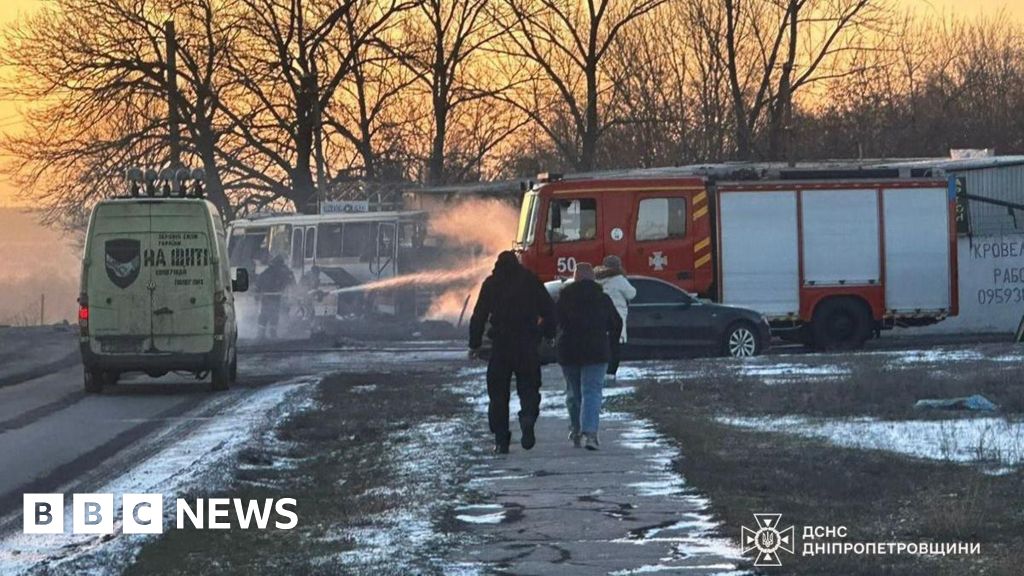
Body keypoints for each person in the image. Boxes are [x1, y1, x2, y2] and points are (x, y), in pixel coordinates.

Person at [469, 251, 556, 454]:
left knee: (498, 394)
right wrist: (548, 333)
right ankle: (528, 418)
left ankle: (501, 439)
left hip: (501, 345)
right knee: (529, 387)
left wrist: (474, 344)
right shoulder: (530, 281)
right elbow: (549, 310)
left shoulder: (491, 283)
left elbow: (479, 315)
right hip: (527, 344)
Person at [556, 262, 622, 450]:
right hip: (596, 350)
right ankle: (591, 434)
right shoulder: (603, 299)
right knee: (592, 392)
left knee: (573, 393)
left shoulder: (564, 298)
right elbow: (616, 323)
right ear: (593, 278)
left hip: (569, 351)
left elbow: (555, 322)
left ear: (575, 278)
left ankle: (576, 429)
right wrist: (610, 342)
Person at [595, 255, 636, 381]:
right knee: (614, 346)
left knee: (602, 345)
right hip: (616, 315)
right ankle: (610, 373)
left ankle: (601, 370)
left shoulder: (596, 278)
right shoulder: (619, 279)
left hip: (599, 316)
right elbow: (631, 293)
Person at [255, 254, 295, 339]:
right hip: (275, 297)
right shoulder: (283, 271)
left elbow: (258, 284)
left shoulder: (267, 272)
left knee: (265, 314)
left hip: (268, 297)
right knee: (273, 314)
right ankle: (271, 333)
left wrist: (257, 295)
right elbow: (291, 281)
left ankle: (262, 334)